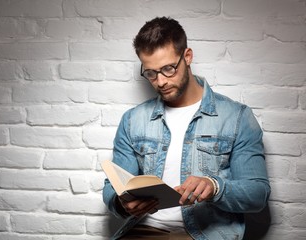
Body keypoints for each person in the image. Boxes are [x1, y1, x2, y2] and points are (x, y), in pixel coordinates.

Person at [102, 16, 271, 240]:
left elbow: (257, 194)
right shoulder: (133, 120)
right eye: (151, 73)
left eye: (168, 68)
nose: (160, 81)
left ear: (187, 57)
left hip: (205, 233)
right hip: (145, 230)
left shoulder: (236, 117)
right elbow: (111, 187)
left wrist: (215, 187)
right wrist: (122, 202)